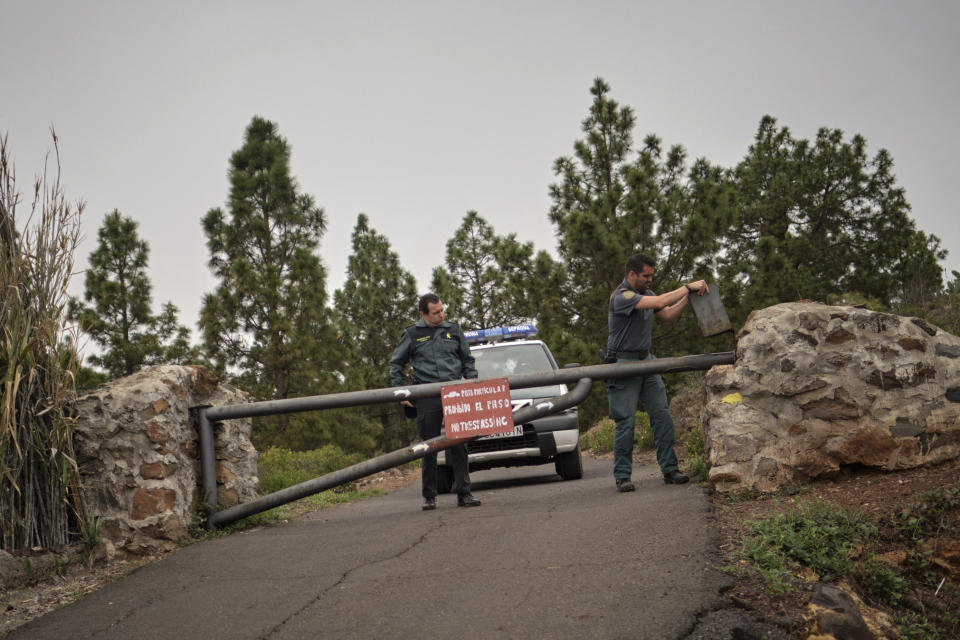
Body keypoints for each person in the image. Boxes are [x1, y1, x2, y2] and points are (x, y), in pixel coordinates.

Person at [607, 253, 709, 492]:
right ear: (632, 274)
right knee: (626, 421)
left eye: (652, 275)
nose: (650, 280)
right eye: (646, 275)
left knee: (662, 415)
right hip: (624, 364)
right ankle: (623, 476)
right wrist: (687, 286)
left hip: (647, 361)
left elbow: (669, 314)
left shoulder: (649, 294)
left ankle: (670, 470)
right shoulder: (622, 297)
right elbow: (660, 302)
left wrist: (689, 297)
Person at [390, 293, 482, 510]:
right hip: (427, 396)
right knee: (429, 446)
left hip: (456, 394)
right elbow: (396, 364)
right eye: (436, 312)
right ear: (423, 313)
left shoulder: (454, 330)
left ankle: (464, 493)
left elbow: (468, 360)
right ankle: (429, 496)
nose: (441, 315)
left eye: (442, 310)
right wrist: (401, 393)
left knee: (460, 444)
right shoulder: (412, 333)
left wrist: (472, 384)